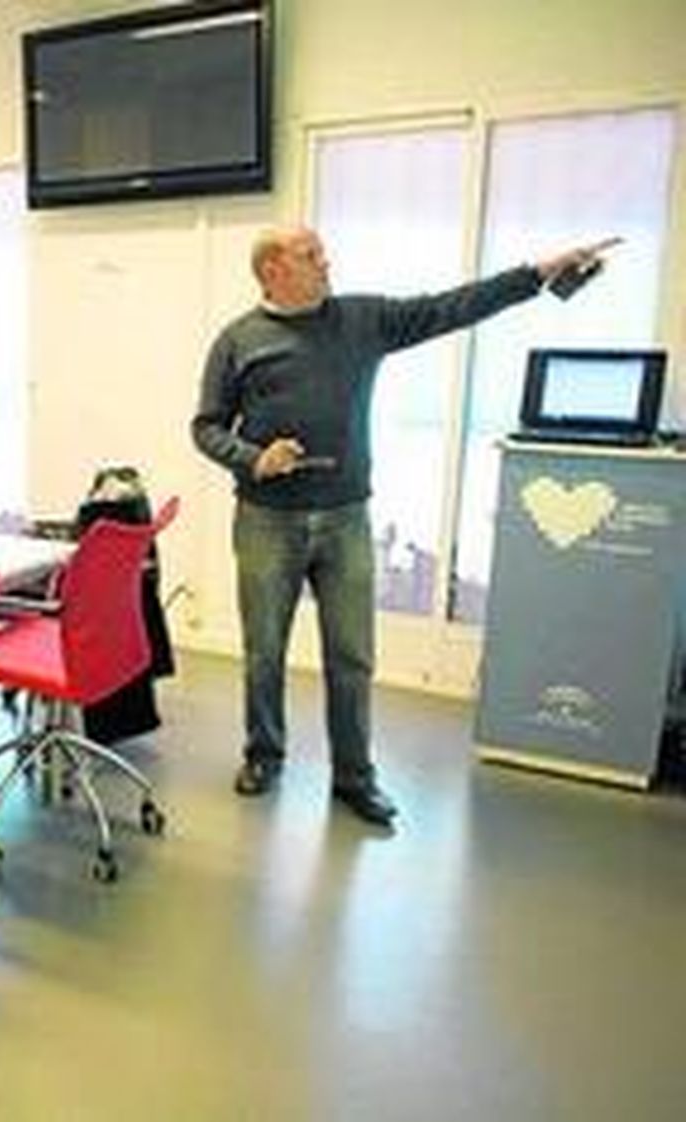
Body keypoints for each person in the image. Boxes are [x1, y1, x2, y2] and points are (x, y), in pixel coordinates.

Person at [191, 225, 609, 828]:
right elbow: (206, 426)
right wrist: (253, 458)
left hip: (345, 518)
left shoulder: (363, 319)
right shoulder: (237, 340)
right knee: (263, 654)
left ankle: (354, 779)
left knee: (353, 656)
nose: (326, 260)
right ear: (272, 271)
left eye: (322, 251)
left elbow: (451, 307)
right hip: (266, 520)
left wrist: (539, 273)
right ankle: (264, 755)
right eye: (310, 255)